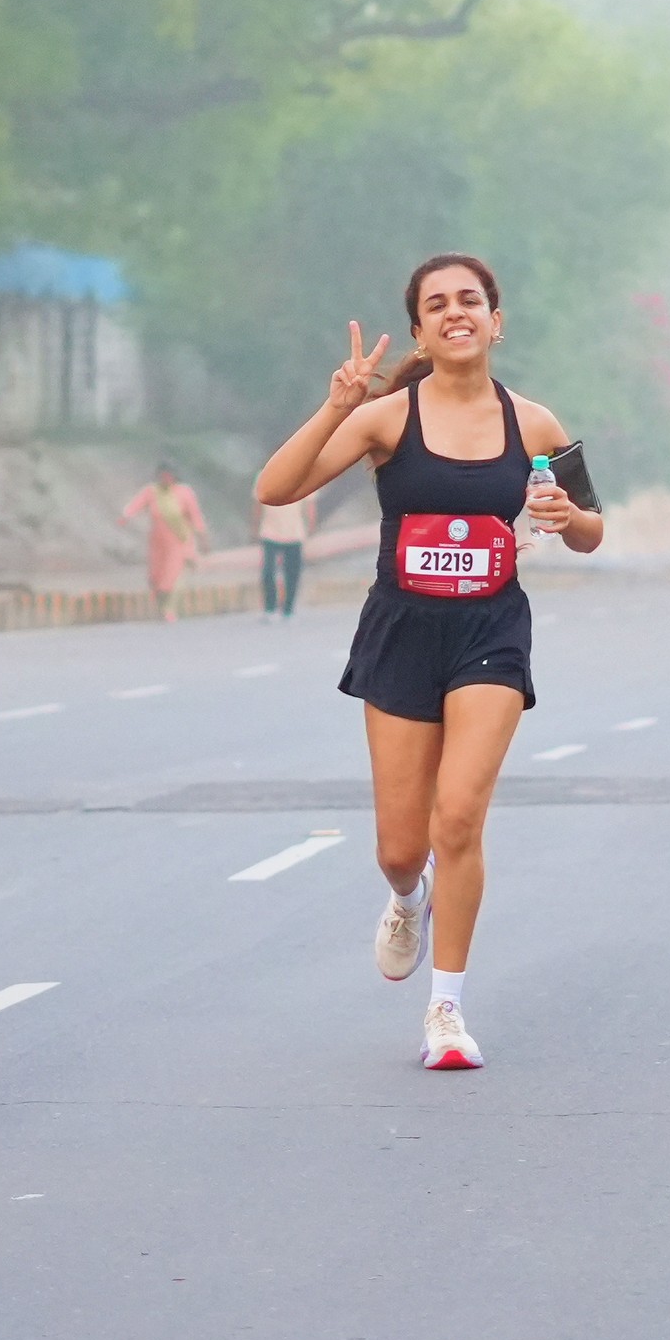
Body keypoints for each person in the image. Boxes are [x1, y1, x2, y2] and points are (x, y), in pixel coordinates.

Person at [255, 254, 602, 1070]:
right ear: (419, 330)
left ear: (494, 321)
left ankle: (445, 1009)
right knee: (402, 847)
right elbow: (274, 488)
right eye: (437, 303)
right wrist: (338, 405)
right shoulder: (386, 420)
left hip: (491, 631)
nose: (456, 312)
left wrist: (563, 513)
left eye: (470, 300)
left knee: (459, 819)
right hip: (401, 631)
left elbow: (591, 528)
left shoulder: (535, 424)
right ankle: (406, 897)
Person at [121, 463, 208, 621]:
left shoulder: (185, 492)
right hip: (158, 542)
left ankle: (170, 609)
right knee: (156, 577)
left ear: (174, 476)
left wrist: (202, 537)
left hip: (179, 540)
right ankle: (162, 608)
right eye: (163, 475)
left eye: (169, 475)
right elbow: (136, 504)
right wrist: (126, 516)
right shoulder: (152, 492)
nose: (166, 478)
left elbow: (195, 516)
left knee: (174, 575)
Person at [257, 491, 313, 621]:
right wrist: (255, 525)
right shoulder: (264, 479)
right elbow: (258, 504)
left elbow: (309, 506)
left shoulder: (301, 480)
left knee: (292, 573)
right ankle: (270, 607)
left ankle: (288, 608)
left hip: (294, 533)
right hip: (270, 532)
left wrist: (310, 525)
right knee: (268, 571)